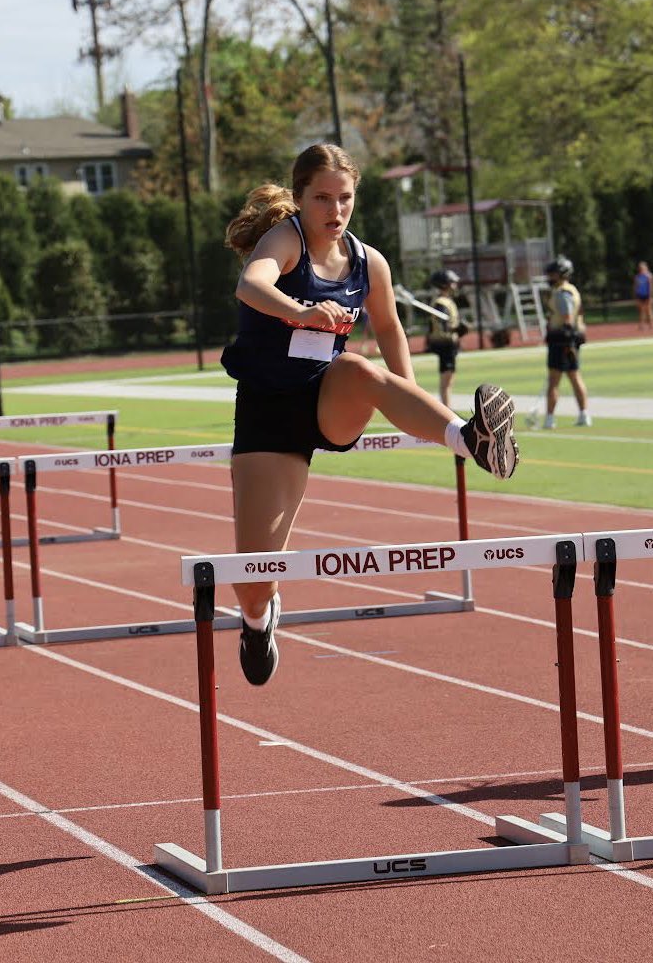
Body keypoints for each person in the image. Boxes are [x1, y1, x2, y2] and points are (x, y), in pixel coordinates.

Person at [221, 143, 520, 686]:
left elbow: (388, 328)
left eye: (345, 199)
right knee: (253, 577)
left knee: (361, 369)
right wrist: (301, 312)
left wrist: (408, 399)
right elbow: (251, 284)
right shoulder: (285, 239)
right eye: (322, 199)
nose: (335, 212)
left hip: (328, 396)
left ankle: (468, 437)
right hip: (269, 414)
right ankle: (257, 621)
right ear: (300, 198)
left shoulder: (367, 261)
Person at [543, 255, 590, 429]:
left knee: (554, 381)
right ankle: (584, 414)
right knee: (575, 376)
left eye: (553, 274)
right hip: (569, 341)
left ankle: (549, 418)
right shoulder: (572, 290)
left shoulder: (562, 293)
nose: (550, 277)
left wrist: (566, 338)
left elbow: (567, 318)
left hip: (561, 341)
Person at [426, 269, 467, 407]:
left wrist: (458, 330)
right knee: (447, 381)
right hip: (445, 345)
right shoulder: (441, 302)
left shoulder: (446, 301)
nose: (455, 285)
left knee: (449, 380)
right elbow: (442, 325)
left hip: (450, 344)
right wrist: (456, 329)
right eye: (452, 283)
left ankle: (447, 408)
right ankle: (447, 410)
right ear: (444, 284)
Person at [633, 261, 653, 330]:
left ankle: (652, 325)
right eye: (640, 267)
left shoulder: (649, 276)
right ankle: (642, 325)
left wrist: (651, 296)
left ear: (646, 267)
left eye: (643, 267)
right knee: (641, 311)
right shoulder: (637, 277)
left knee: (649, 310)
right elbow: (635, 286)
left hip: (647, 295)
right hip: (640, 295)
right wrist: (636, 295)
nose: (641, 269)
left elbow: (651, 286)